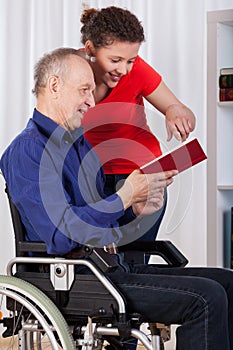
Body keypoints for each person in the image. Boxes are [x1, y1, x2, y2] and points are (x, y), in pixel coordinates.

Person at [1, 48, 233, 350]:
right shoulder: (28, 150)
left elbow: (100, 216)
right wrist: (124, 196)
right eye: (84, 90)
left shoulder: (80, 144)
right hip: (77, 277)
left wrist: (134, 208)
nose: (92, 102)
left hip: (111, 267)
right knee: (206, 298)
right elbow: (61, 236)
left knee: (227, 283)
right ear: (54, 86)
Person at [78, 5, 197, 244]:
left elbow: (180, 108)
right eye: (115, 60)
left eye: (130, 60)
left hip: (141, 173)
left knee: (133, 261)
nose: (123, 69)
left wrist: (176, 112)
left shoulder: (137, 70)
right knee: (98, 260)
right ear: (90, 49)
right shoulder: (71, 69)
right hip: (92, 177)